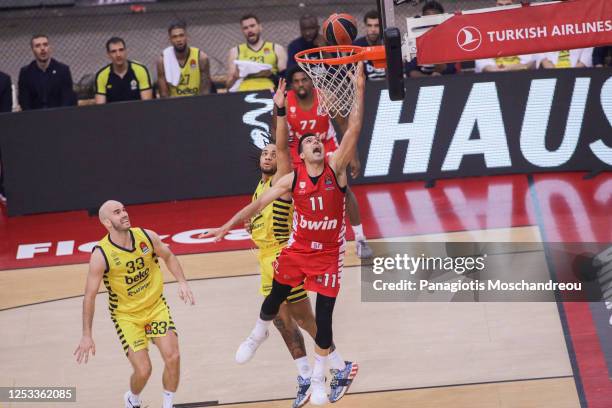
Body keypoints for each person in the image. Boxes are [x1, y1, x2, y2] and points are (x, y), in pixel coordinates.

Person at [202, 62, 366, 406]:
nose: (268, 155)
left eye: (317, 141)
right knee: (279, 313)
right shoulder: (277, 183)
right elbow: (256, 202)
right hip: (285, 253)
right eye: (307, 143)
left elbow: (349, 128)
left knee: (312, 319)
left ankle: (322, 372)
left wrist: (359, 89)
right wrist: (229, 226)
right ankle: (294, 361)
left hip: (313, 252)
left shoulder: (315, 172)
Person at [238, 79, 320, 408]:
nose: (270, 155)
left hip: (283, 256)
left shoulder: (282, 180)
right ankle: (306, 375)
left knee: (301, 320)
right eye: (265, 152)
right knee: (287, 321)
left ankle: (329, 366)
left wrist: (280, 110)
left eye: (273, 153)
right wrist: (251, 226)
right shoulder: (258, 190)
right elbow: (259, 219)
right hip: (265, 260)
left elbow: (284, 145)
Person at [74, 200, 195, 408]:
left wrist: (182, 282)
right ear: (107, 222)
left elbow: (168, 256)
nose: (124, 214)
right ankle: (132, 398)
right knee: (144, 370)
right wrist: (87, 334)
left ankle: (168, 405)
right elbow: (89, 296)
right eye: (117, 212)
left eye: (124, 210)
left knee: (173, 357)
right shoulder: (101, 254)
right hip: (127, 317)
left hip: (156, 309)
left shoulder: (146, 237)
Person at [281, 66, 372, 258]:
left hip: (327, 145)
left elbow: (344, 124)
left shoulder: (325, 95)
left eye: (304, 80)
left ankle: (360, 238)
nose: (300, 84)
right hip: (300, 149)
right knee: (295, 195)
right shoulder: (286, 101)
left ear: (310, 81)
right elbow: (278, 133)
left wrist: (353, 155)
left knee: (343, 191)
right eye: (296, 81)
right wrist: (286, 160)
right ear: (291, 85)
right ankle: (298, 241)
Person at [226, 14, 287, 92]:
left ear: (260, 27)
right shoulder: (235, 51)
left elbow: (286, 82)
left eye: (252, 26)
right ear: (242, 31)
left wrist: (270, 75)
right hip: (242, 93)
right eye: (245, 28)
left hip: (269, 91)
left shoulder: (277, 49)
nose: (249, 30)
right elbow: (228, 86)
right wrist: (235, 77)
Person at [18, 34, 76, 110]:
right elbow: (24, 101)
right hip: (35, 117)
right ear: (33, 50)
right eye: (38, 46)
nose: (42, 48)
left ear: (50, 48)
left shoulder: (63, 70)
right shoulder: (26, 73)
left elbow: (67, 98)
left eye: (45, 45)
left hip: (59, 116)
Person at [475, 0, 535, 73]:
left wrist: (508, 68)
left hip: (519, 72)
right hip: (493, 73)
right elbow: (482, 60)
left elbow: (529, 61)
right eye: (500, 5)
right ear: (495, 5)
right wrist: (496, 69)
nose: (504, 8)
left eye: (508, 4)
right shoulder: (486, 27)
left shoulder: (523, 27)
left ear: (514, 5)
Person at [157, 21, 212, 98]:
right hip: (174, 103)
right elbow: (164, 94)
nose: (179, 39)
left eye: (181, 35)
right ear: (170, 39)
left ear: (187, 36)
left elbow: (205, 90)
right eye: (174, 37)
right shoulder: (163, 61)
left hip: (196, 101)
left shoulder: (201, 58)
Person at [405, 2, 458, 77]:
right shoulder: (414, 39)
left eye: (434, 21)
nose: (431, 25)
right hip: (420, 83)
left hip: (447, 80)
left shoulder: (449, 39)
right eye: (428, 20)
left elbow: (450, 69)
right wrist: (430, 80)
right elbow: (410, 71)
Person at [95, 37, 153, 104]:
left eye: (121, 50)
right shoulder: (101, 75)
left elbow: (146, 104)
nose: (118, 55)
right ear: (108, 55)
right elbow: (100, 107)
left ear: (126, 51)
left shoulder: (141, 70)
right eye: (113, 51)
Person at [353, 10, 387, 80]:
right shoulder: (357, 46)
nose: (373, 29)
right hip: (366, 87)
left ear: (382, 26)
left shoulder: (388, 44)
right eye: (369, 25)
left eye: (376, 26)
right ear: (365, 26)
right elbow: (352, 74)